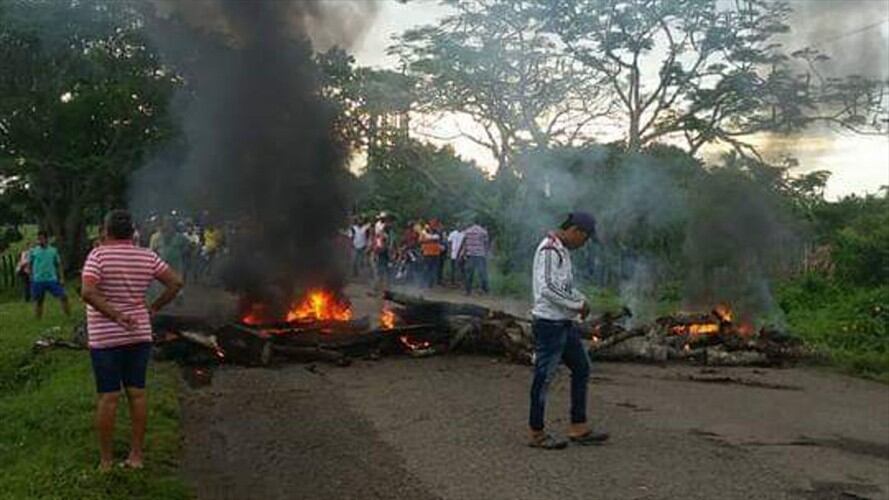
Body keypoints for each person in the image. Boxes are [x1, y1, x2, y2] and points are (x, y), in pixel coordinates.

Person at [80, 209, 184, 471]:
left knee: (108, 397)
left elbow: (88, 292)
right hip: (139, 334)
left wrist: (115, 316)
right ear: (132, 232)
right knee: (137, 394)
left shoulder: (98, 256)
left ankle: (106, 462)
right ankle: (136, 456)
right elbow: (176, 282)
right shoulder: (147, 256)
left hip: (105, 338)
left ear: (106, 231)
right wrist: (154, 307)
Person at [528, 212, 609, 449]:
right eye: (584, 239)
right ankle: (536, 432)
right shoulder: (550, 250)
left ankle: (578, 426)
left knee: (582, 367)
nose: (583, 245)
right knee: (543, 377)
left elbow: (563, 286)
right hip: (549, 323)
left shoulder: (562, 250)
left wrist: (579, 299)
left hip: (563, 322)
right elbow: (548, 288)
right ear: (575, 231)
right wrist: (577, 304)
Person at [29, 231, 70, 318]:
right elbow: (30, 264)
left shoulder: (53, 251)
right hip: (38, 279)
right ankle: (38, 319)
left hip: (51, 279)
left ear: (46, 239)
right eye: (39, 239)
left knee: (63, 296)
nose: (40, 241)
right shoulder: (34, 251)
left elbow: (58, 265)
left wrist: (61, 278)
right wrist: (31, 276)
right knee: (39, 301)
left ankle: (67, 315)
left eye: (42, 239)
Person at [459, 221, 490, 295]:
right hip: (480, 255)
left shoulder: (467, 231)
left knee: (469, 273)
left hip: (470, 255)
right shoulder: (483, 231)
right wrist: (486, 253)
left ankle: (468, 291)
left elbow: (464, 244)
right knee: (482, 273)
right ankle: (483, 290)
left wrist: (462, 254)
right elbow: (486, 244)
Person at [370, 213, 392, 292]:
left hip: (382, 252)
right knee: (380, 271)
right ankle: (379, 288)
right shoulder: (379, 229)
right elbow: (377, 241)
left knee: (381, 271)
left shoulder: (385, 234)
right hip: (380, 252)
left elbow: (384, 244)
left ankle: (380, 289)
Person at [419, 221, 443, 288]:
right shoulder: (424, 232)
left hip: (435, 253)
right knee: (426, 269)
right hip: (427, 253)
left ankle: (430, 284)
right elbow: (420, 241)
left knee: (433, 269)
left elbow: (440, 240)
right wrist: (430, 239)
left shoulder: (438, 233)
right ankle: (423, 283)